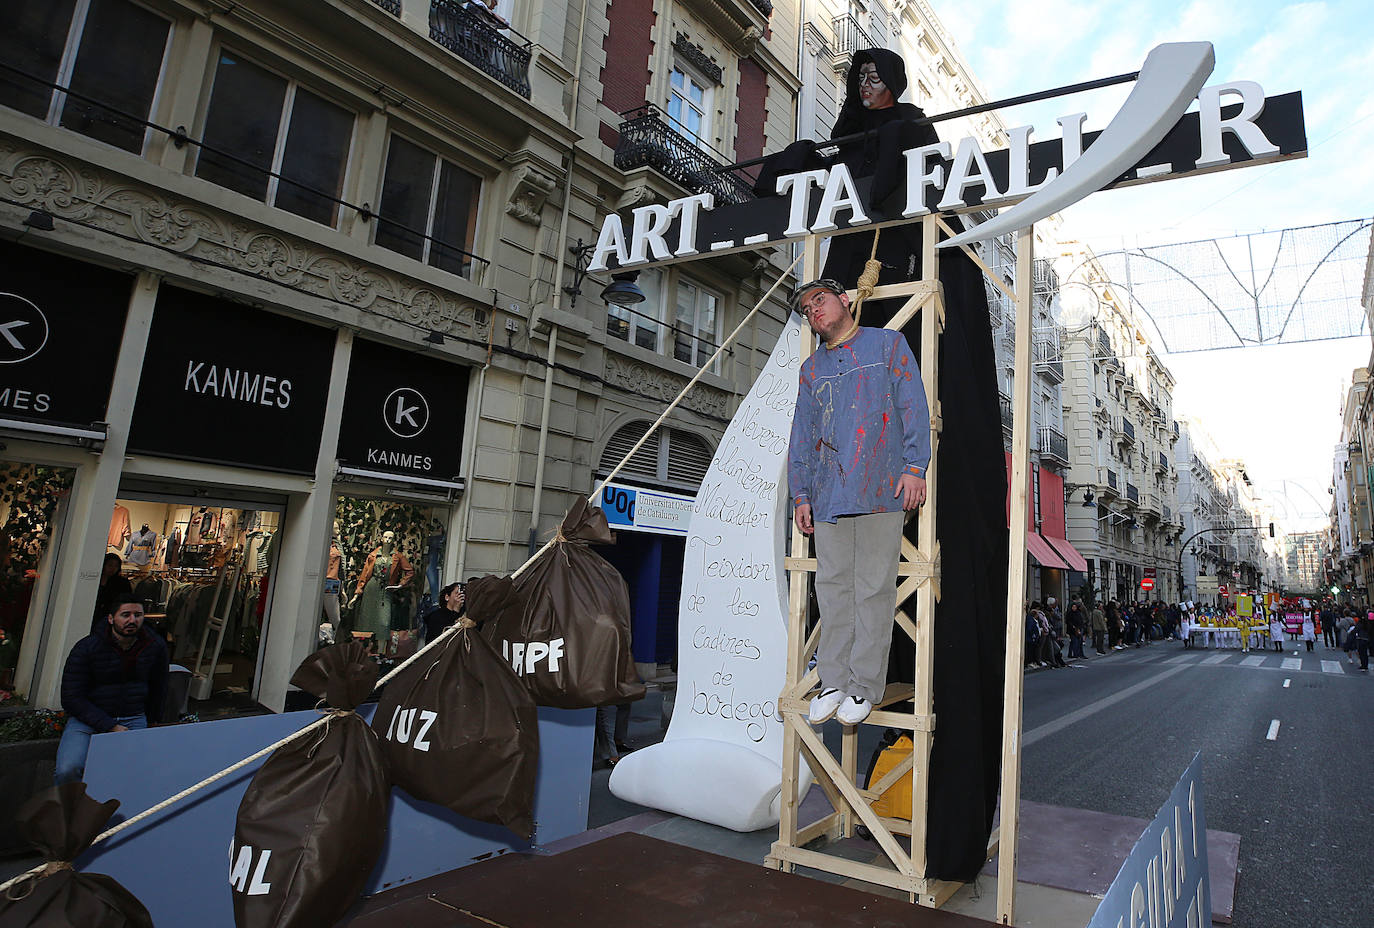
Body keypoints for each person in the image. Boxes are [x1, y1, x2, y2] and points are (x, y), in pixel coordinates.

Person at [789, 279, 930, 727]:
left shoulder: (888, 345)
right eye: (807, 308)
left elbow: (914, 407)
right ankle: (832, 680)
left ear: (845, 299)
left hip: (880, 487)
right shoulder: (811, 369)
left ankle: (864, 685)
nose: (814, 310)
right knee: (831, 590)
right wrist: (800, 493)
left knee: (872, 588)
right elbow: (803, 435)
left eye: (820, 300)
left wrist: (914, 467)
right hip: (828, 492)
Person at [56, 597, 168, 784]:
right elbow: (71, 697)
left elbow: (159, 687)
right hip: (87, 720)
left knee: (135, 775)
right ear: (110, 618)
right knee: (68, 769)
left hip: (133, 717)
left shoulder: (155, 646)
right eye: (125, 615)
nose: (132, 620)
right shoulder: (87, 647)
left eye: (138, 615)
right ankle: (63, 811)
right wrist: (110, 726)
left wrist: (154, 721)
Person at [92, 552, 134, 635]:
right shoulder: (94, 580)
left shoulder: (122, 583)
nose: (113, 569)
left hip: (112, 616)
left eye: (116, 566)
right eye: (110, 565)